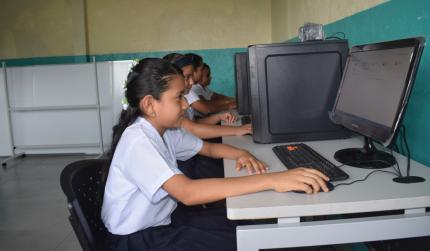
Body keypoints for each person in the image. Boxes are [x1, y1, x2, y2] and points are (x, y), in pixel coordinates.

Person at [101, 58, 330, 251]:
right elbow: (188, 193)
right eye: (178, 97)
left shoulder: (166, 130)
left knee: (246, 226)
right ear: (150, 104)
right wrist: (272, 180)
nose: (184, 105)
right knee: (246, 240)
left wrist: (240, 153)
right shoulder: (137, 141)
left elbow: (208, 148)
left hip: (166, 220)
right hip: (138, 240)